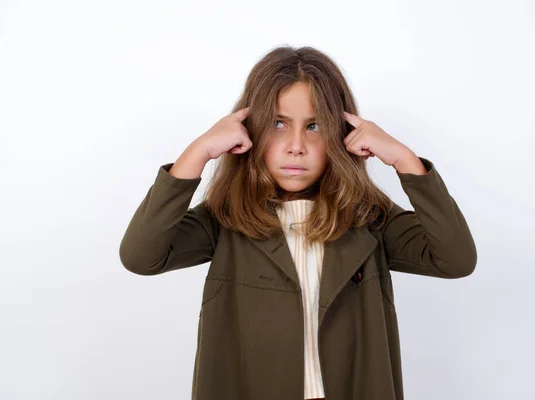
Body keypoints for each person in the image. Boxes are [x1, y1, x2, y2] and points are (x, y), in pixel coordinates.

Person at [119, 45, 477, 400]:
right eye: (278, 124)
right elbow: (141, 256)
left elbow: (455, 258)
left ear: (342, 134)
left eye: (314, 126)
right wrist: (197, 152)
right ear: (251, 128)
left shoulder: (368, 217)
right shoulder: (226, 217)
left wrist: (404, 159)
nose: (296, 146)